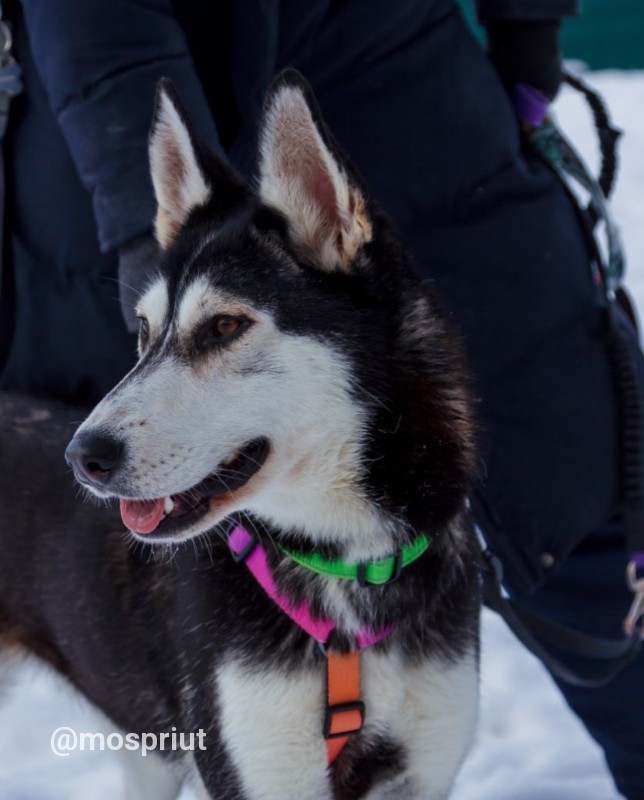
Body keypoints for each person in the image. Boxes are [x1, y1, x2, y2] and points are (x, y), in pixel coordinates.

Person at [0, 1, 641, 796]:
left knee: (572, 443)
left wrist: (527, 22)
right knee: (111, 541)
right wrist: (141, 222)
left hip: (378, 38)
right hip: (107, 58)